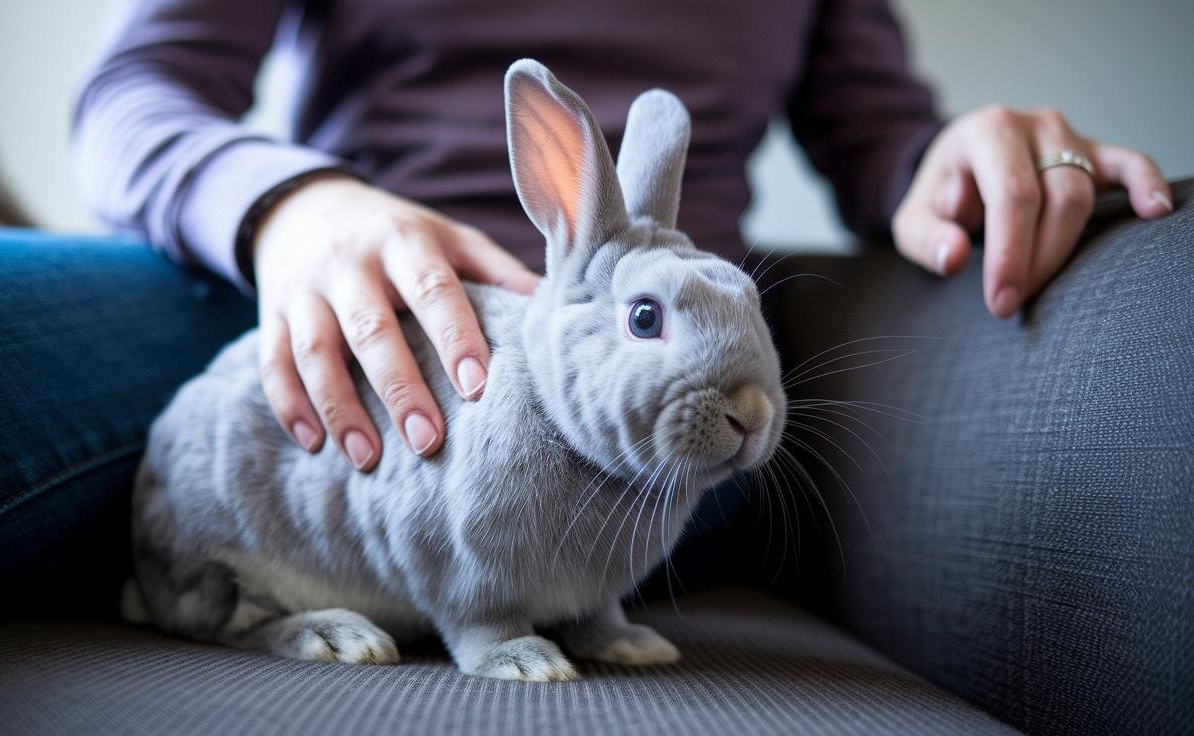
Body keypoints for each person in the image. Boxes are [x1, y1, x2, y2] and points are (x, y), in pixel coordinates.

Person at [72, 0, 1172, 472]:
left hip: (647, 413)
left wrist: (957, 160)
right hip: (338, 331)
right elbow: (133, 97)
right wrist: (294, 207)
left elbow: (879, 141)